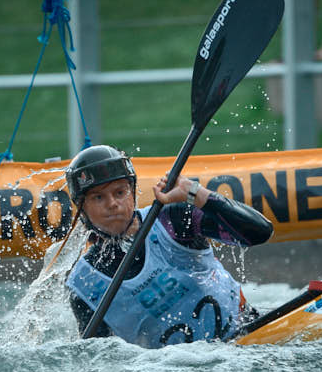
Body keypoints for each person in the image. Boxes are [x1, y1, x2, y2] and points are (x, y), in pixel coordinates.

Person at [64, 145, 273, 348]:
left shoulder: (173, 221)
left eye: (120, 192)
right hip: (178, 367)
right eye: (98, 197)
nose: (112, 203)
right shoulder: (84, 285)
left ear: (132, 192)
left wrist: (195, 193)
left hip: (248, 334)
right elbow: (101, 358)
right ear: (82, 209)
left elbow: (260, 232)